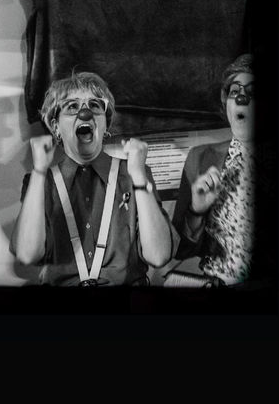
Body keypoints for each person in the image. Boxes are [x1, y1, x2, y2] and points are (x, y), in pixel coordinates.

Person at [10, 72, 178, 286]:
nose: (85, 113)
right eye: (72, 106)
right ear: (56, 126)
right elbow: (27, 255)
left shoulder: (135, 173)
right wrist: (39, 172)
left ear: (105, 124)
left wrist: (138, 178)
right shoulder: (40, 181)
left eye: (95, 105)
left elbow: (159, 256)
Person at [172, 53, 271, 286]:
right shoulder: (200, 158)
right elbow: (181, 249)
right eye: (235, 92)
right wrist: (196, 211)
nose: (241, 99)